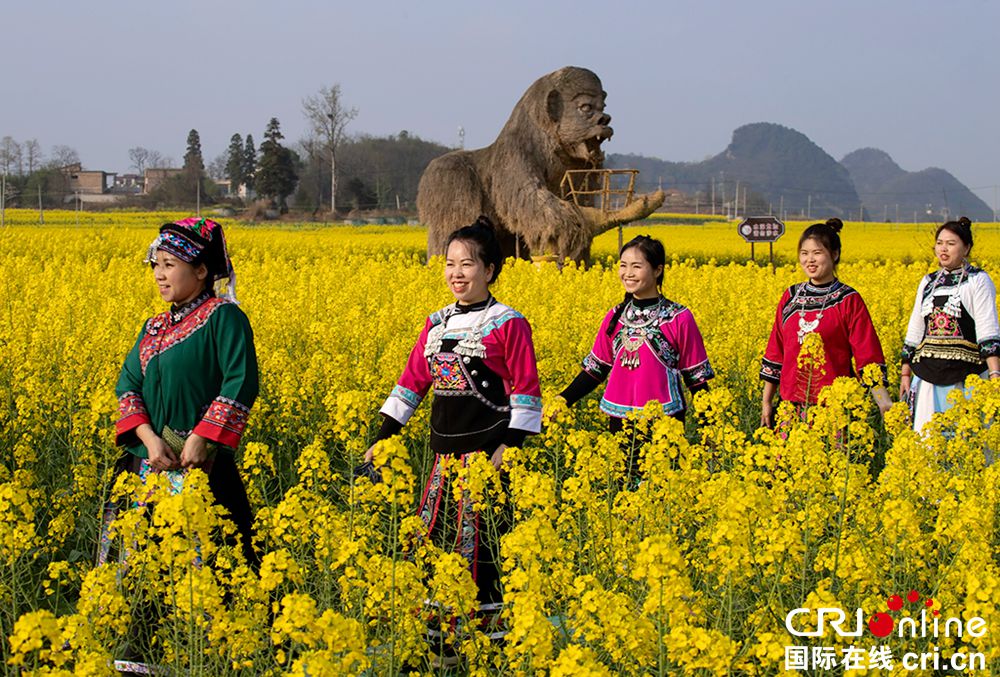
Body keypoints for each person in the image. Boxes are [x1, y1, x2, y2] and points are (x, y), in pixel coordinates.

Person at [366, 216, 542, 645]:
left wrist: (511, 444)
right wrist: (382, 435)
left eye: (467, 265)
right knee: (435, 538)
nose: (456, 274)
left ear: (490, 270)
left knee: (482, 549)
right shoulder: (437, 322)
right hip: (443, 456)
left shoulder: (507, 322)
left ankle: (488, 641)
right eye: (449, 264)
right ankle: (434, 636)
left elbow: (527, 389)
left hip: (488, 456)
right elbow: (411, 383)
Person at [555, 235, 714, 475]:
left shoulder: (679, 317)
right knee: (624, 494)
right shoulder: (614, 317)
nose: (627, 273)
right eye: (623, 265)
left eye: (636, 266)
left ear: (658, 270)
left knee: (662, 493)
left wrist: (709, 429)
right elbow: (595, 369)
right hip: (619, 420)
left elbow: (696, 378)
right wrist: (563, 399)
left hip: (664, 421)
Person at [760, 218, 891, 427]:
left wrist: (884, 403)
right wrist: (767, 401)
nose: (809, 260)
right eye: (804, 253)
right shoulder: (791, 297)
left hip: (834, 410)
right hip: (790, 406)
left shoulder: (849, 300)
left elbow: (868, 356)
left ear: (835, 254)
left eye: (817, 253)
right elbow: (776, 350)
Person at [900, 216, 1000, 432]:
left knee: (963, 440)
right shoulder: (928, 282)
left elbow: (987, 328)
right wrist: (905, 373)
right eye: (939, 243)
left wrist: (995, 376)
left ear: (966, 248)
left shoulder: (978, 280)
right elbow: (916, 328)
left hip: (966, 375)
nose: (943, 249)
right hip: (927, 374)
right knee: (927, 439)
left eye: (951, 244)